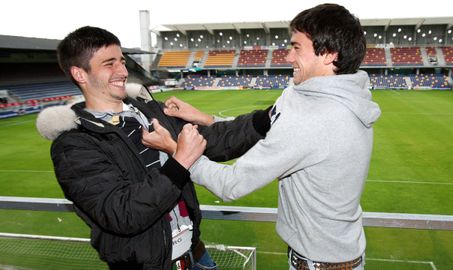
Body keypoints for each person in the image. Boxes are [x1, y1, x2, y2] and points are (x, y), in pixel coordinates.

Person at [157, 4, 381, 270]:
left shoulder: (315, 117)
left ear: (329, 55)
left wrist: (177, 153)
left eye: (296, 47)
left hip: (321, 263)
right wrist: (204, 118)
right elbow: (269, 126)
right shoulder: (311, 95)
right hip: (328, 255)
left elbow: (231, 184)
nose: (287, 57)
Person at [35, 26, 271, 270]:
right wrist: (179, 162)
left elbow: (215, 140)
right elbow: (123, 214)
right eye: (109, 64)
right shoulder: (75, 144)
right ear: (80, 74)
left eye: (122, 61)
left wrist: (268, 118)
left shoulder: (151, 111)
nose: (123, 71)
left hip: (197, 256)